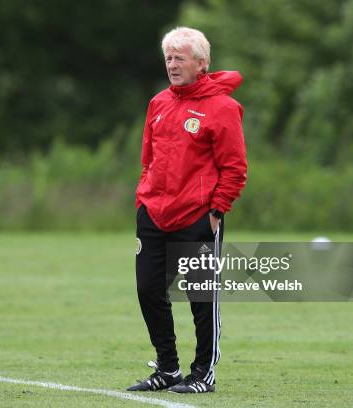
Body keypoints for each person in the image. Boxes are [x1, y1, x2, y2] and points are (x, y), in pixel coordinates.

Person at [127, 27, 247, 394]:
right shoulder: (158, 103)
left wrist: (215, 211)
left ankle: (202, 375)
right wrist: (143, 200)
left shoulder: (223, 108)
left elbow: (235, 168)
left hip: (197, 217)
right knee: (149, 290)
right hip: (154, 214)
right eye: (168, 57)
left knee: (200, 297)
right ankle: (167, 368)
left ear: (201, 63)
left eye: (180, 58)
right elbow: (149, 159)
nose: (172, 64)